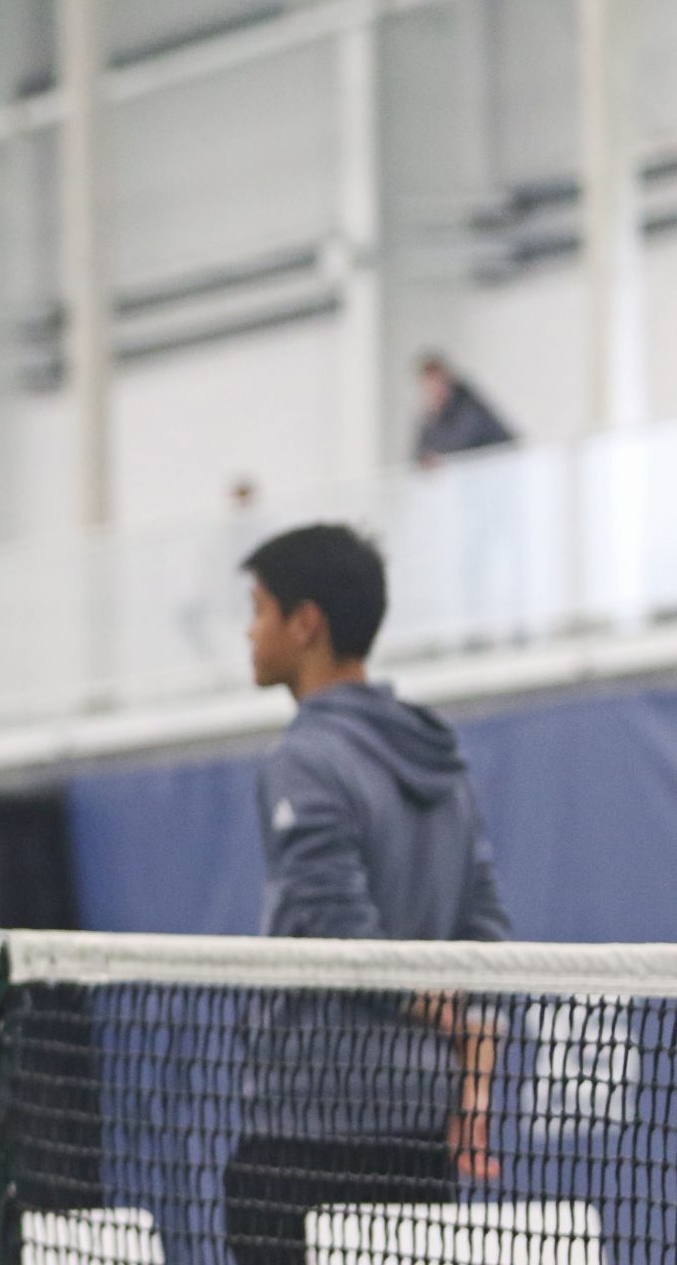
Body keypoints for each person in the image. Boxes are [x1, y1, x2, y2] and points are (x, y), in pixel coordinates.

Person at [224, 525, 510, 1264]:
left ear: (305, 623)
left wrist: (445, 1020)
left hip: (305, 1138)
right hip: (417, 1137)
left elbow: (342, 939)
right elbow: (488, 949)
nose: (249, 631)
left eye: (258, 609)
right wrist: (470, 1079)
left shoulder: (304, 761)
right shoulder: (444, 766)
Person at [412, 351, 515, 468]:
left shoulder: (470, 408)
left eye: (437, 383)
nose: (434, 390)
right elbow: (419, 454)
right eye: (429, 386)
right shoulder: (431, 418)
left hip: (497, 471)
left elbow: (459, 446)